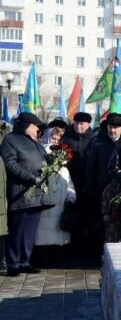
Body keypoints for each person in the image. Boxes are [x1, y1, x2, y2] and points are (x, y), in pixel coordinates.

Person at [0, 112, 55, 276]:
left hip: (37, 194)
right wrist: (30, 177)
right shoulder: (11, 140)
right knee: (17, 230)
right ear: (25, 126)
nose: (37, 129)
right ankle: (13, 263)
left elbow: (44, 161)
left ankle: (25, 261)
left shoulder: (36, 143)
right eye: (35, 126)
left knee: (29, 231)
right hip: (20, 193)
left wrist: (52, 165)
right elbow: (9, 163)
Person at [83, 112, 121, 263]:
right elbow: (91, 168)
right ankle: (98, 256)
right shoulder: (98, 144)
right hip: (101, 192)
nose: (112, 130)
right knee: (100, 225)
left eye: (115, 127)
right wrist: (90, 189)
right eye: (110, 126)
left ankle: (120, 257)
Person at [35, 126, 76, 248]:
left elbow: (68, 182)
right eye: (53, 138)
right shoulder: (40, 153)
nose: (55, 141)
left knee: (56, 227)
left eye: (58, 139)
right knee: (44, 229)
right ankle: (43, 252)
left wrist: (71, 197)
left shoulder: (62, 161)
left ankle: (54, 252)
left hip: (60, 200)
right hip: (46, 199)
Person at [62, 111, 97, 257]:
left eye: (81, 124)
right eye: (76, 123)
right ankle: (72, 248)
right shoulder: (67, 137)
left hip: (90, 183)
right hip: (70, 182)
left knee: (90, 217)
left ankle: (88, 248)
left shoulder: (95, 138)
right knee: (72, 215)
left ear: (88, 124)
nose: (78, 126)